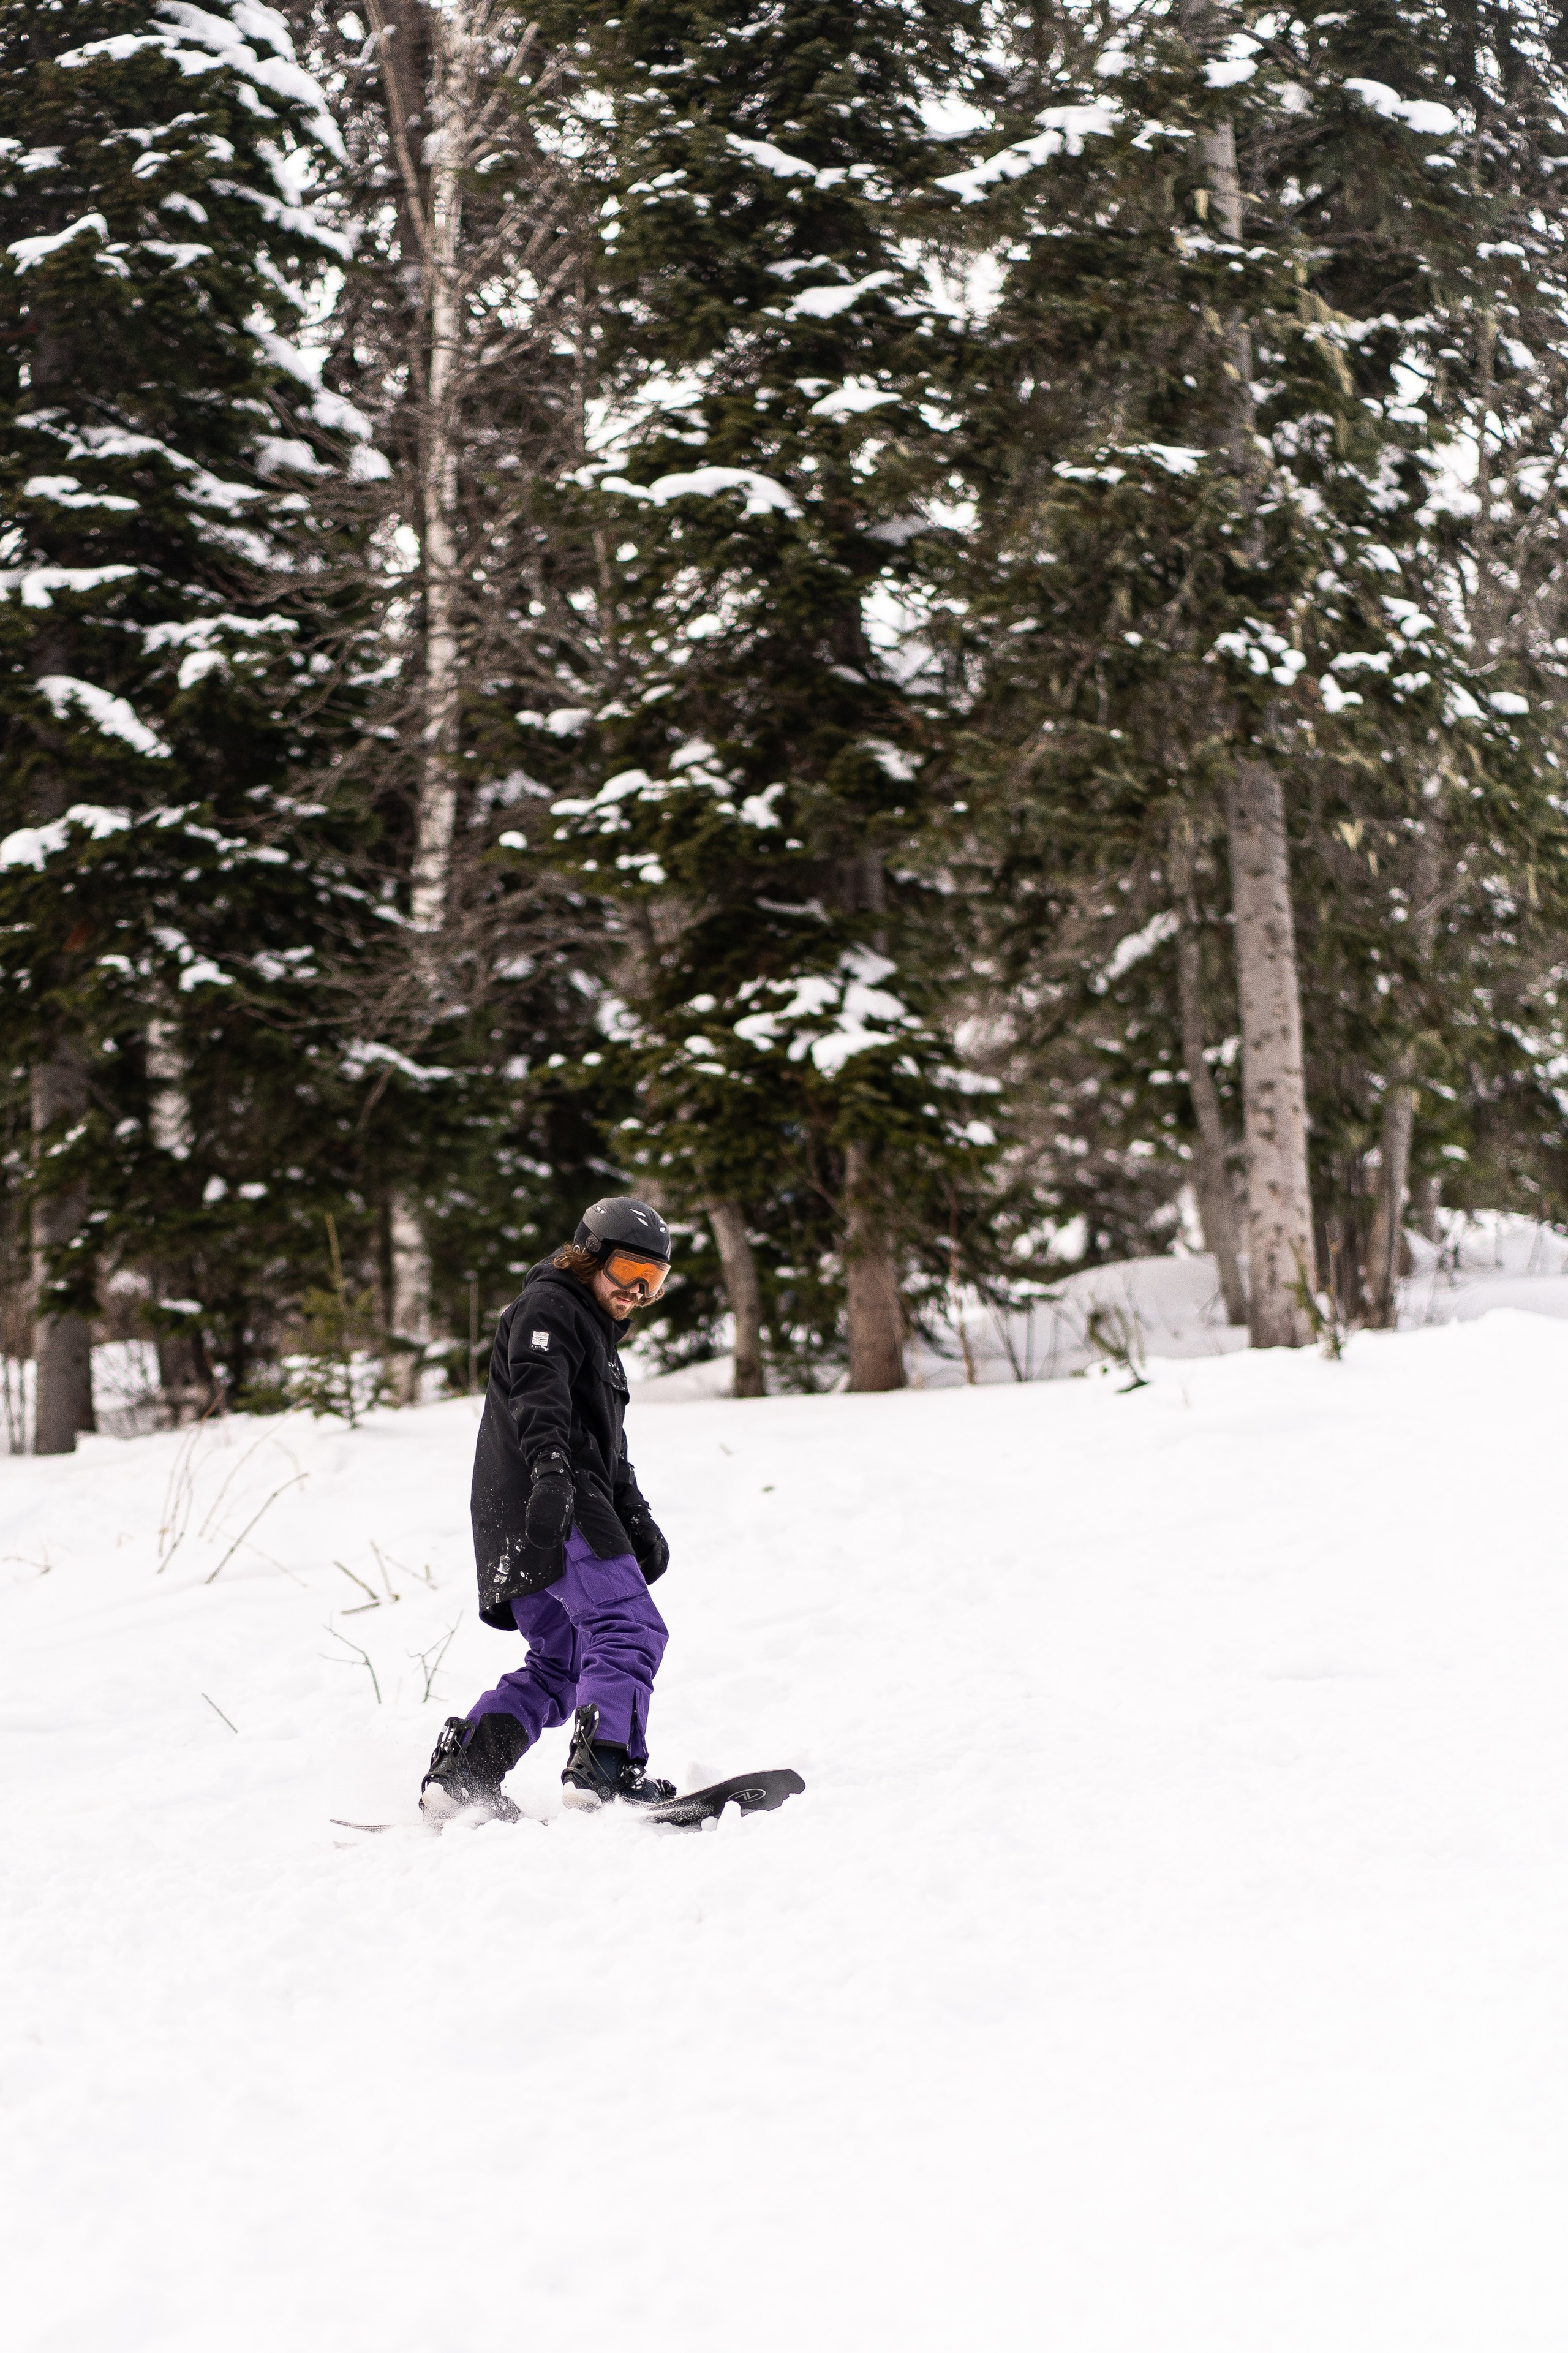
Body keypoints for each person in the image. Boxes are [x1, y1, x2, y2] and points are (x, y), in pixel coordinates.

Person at [419, 1197, 676, 1822]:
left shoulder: (589, 1327)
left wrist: (636, 1512)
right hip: (554, 1500)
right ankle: (608, 1766)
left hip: (520, 1512)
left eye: (653, 1280)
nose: (638, 1292)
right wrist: (554, 1477)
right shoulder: (550, 1307)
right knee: (627, 1625)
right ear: (588, 1256)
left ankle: (466, 1774)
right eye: (629, 1271)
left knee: (562, 1662)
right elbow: (540, 1400)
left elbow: (604, 1446)